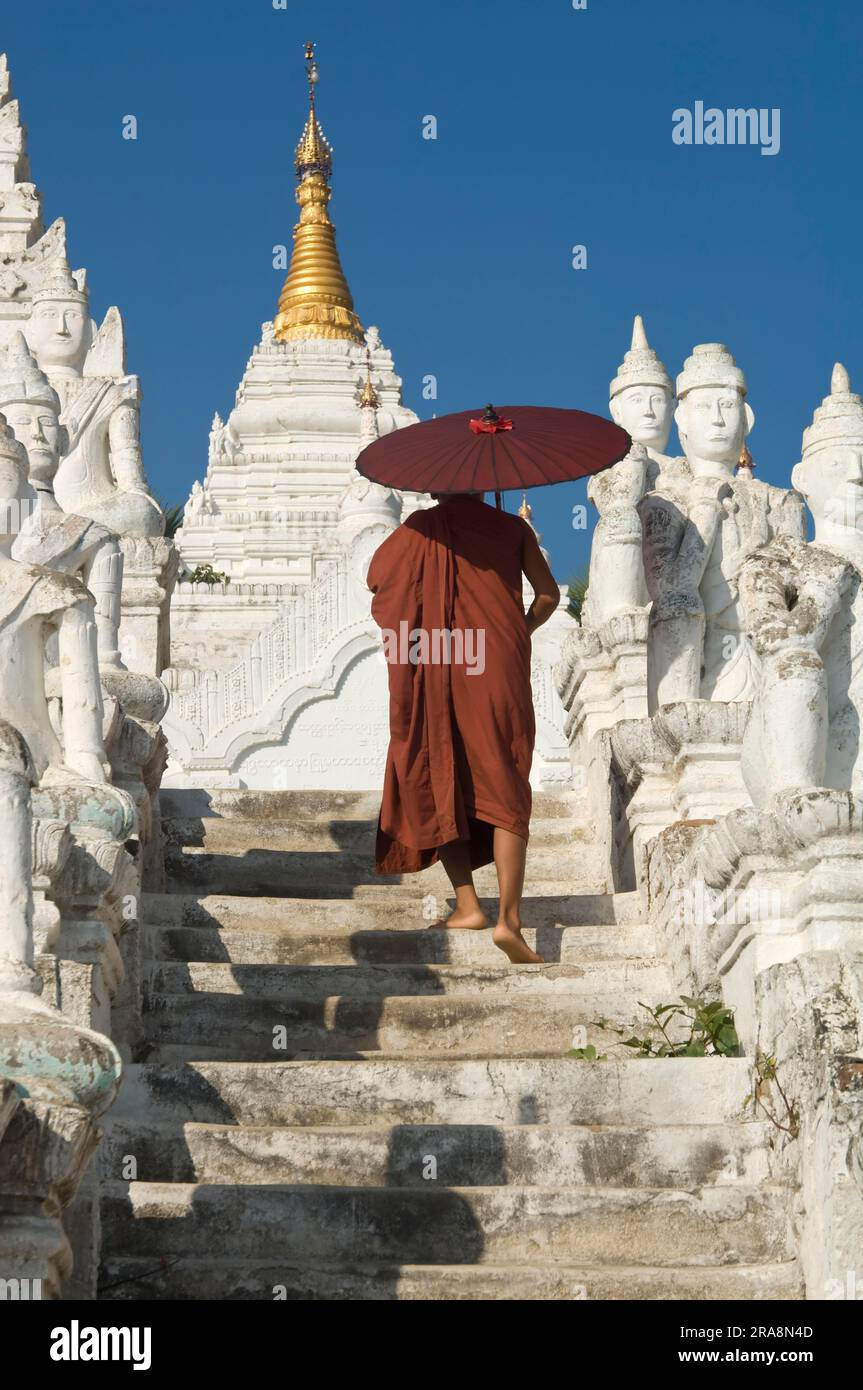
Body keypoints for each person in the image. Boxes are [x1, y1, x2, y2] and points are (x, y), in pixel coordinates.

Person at [367, 490, 561, 963]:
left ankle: (469, 904)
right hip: (496, 664)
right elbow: (549, 596)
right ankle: (508, 920)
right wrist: (517, 627)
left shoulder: (417, 530)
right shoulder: (513, 529)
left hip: (437, 663)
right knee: (506, 779)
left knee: (440, 772)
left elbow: (377, 580)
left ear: (436, 487)